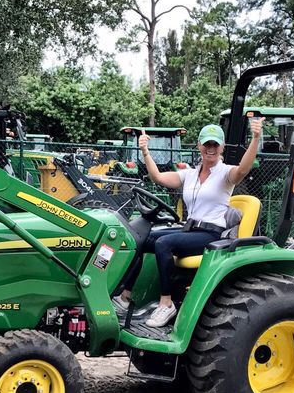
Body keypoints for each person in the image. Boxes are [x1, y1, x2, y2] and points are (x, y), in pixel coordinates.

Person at [112, 117, 263, 327]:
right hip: (190, 230)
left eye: (215, 145)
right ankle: (125, 297)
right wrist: (145, 152)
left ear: (222, 148)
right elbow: (158, 178)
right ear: (199, 145)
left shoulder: (225, 174)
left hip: (211, 234)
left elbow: (243, 170)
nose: (211, 149)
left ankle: (166, 303)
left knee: (164, 243)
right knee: (142, 238)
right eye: (207, 144)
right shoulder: (189, 174)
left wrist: (255, 138)